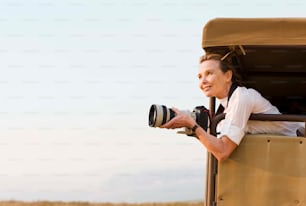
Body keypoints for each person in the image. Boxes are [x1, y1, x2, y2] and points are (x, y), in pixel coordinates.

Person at [160, 53, 304, 162]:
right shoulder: (225, 108)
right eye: (199, 76)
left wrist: (192, 124)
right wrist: (191, 126)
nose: (203, 81)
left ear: (228, 75)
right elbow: (217, 146)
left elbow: (223, 152)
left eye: (209, 73)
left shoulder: (241, 97)